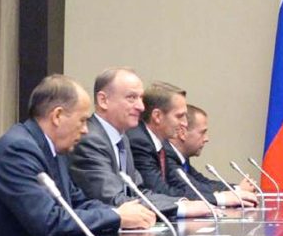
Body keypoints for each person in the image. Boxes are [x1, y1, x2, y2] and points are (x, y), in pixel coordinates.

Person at [0, 75, 155, 236]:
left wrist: (125, 212)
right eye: (82, 120)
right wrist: (116, 216)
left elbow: (76, 202)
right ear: (57, 116)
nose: (86, 129)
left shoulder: (54, 149)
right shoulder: (17, 150)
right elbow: (48, 222)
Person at [68, 67, 211, 217]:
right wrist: (180, 208)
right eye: (131, 98)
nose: (141, 107)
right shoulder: (90, 140)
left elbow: (139, 191)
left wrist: (182, 203)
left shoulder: (122, 138)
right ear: (103, 100)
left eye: (141, 98)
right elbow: (113, 199)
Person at [127, 82, 254, 206]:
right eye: (180, 116)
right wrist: (220, 198)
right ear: (157, 116)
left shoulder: (160, 144)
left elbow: (185, 185)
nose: (185, 123)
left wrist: (229, 193)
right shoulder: (140, 142)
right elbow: (160, 191)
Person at [165, 104, 257, 197]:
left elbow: (203, 182)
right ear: (182, 133)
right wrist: (238, 190)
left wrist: (237, 187)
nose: (206, 139)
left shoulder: (181, 158)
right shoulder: (165, 157)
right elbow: (193, 188)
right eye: (202, 132)